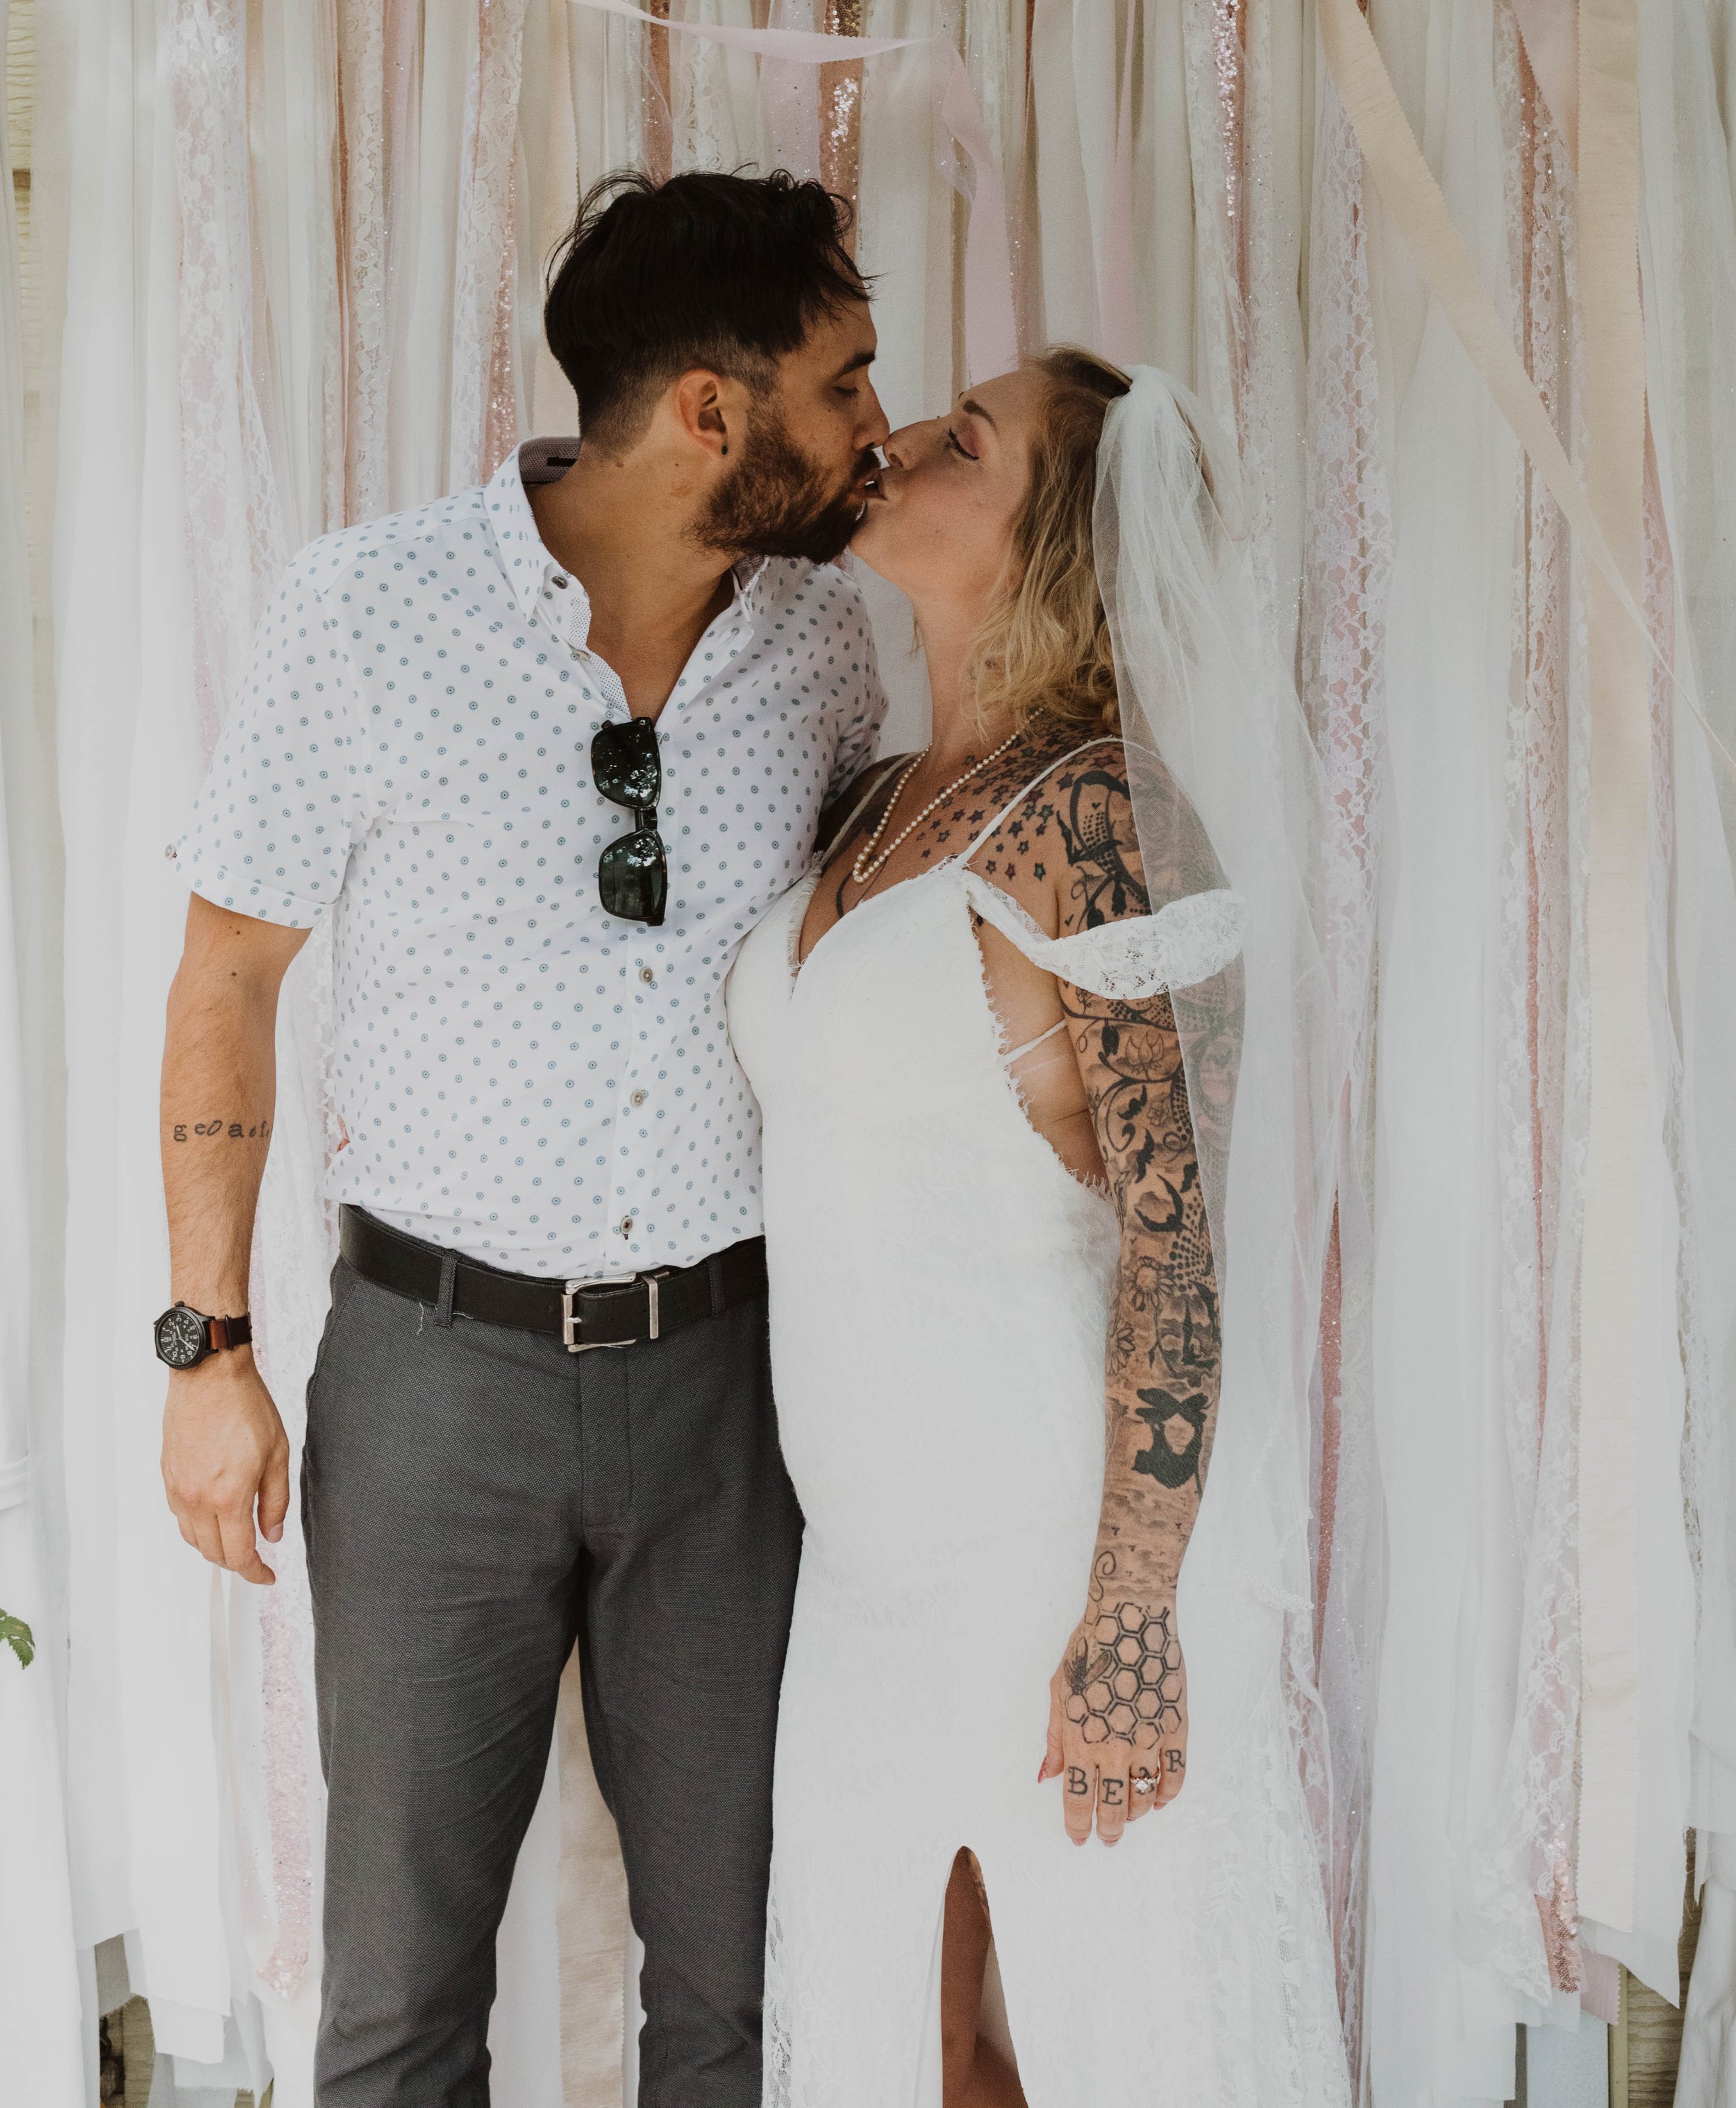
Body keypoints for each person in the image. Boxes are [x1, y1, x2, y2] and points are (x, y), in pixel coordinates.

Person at [154, 169, 891, 2108]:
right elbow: (223, 977)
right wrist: (206, 1350)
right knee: (399, 1998)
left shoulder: (822, 650)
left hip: (732, 1390)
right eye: (844, 382)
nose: (874, 430)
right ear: (711, 416)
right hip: (430, 1384)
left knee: (738, 1984)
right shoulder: (366, 610)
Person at [728, 350, 1347, 2108]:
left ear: (1053, 537)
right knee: (893, 2042)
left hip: (1051, 1555)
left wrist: (1133, 1611)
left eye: (959, 443)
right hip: (858, 1578)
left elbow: (1179, 1238)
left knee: (1081, 2037)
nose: (897, 443)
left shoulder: (1102, 819)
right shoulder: (862, 803)